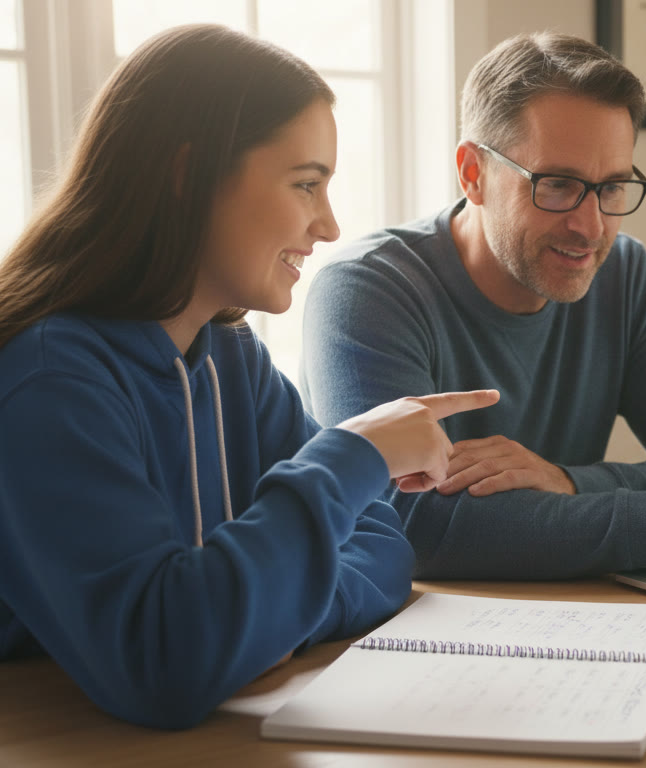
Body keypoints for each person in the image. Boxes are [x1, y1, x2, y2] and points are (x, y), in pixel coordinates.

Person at [0, 25, 498, 730]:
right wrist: (355, 453)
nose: (328, 225)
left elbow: (385, 548)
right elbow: (168, 661)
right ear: (188, 173)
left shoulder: (231, 357)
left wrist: (249, 618)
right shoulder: (47, 382)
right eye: (306, 184)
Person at [301, 31, 646, 581]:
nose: (590, 228)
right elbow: (412, 524)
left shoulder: (623, 274)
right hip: (411, 634)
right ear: (473, 173)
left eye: (612, 188)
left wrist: (567, 481)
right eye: (558, 185)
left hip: (582, 617)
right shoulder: (366, 291)